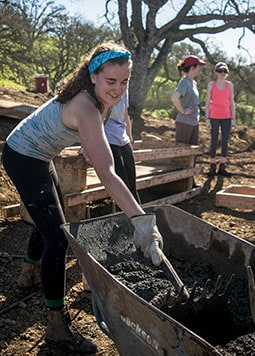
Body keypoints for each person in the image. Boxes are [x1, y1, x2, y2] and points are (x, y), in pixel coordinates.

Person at [1, 42, 163, 354]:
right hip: (22, 155)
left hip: (41, 154)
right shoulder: (87, 107)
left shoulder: (101, 100)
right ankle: (56, 325)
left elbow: (96, 148)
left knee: (51, 219)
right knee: (59, 239)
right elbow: (106, 171)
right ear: (92, 76)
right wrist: (142, 221)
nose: (118, 90)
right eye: (111, 82)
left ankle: (27, 274)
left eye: (125, 81)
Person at [104, 89, 140, 203]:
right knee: (122, 183)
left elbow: (125, 112)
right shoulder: (106, 85)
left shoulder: (125, 88)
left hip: (122, 137)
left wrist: (129, 134)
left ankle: (140, 214)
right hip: (108, 135)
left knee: (131, 181)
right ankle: (126, 215)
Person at [205, 62, 236, 177]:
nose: (222, 73)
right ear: (216, 72)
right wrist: (207, 118)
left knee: (225, 141)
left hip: (226, 116)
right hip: (214, 116)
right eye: (220, 71)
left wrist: (233, 118)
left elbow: (232, 103)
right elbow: (207, 103)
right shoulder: (211, 85)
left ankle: (222, 165)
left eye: (224, 71)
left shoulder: (230, 85)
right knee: (214, 140)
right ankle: (212, 165)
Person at [171, 55, 206, 145]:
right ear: (192, 67)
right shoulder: (184, 82)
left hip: (194, 122)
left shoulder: (193, 82)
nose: (200, 68)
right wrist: (183, 111)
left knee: (192, 153)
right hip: (185, 122)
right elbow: (174, 98)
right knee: (181, 153)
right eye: (199, 66)